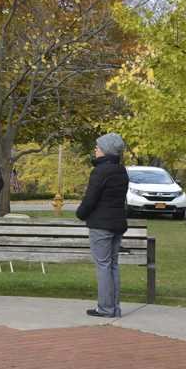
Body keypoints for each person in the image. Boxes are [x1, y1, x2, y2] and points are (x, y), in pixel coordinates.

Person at [76, 133, 130, 318]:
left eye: (98, 146)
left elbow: (90, 198)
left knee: (103, 266)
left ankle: (105, 309)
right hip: (117, 223)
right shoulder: (121, 170)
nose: (95, 149)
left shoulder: (101, 171)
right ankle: (114, 308)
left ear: (106, 150)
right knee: (112, 265)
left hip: (101, 225)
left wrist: (80, 215)